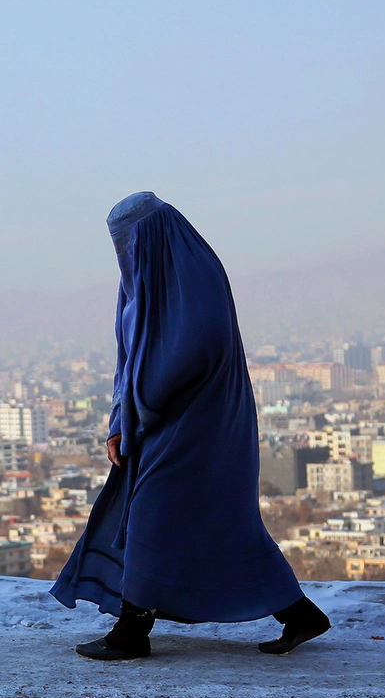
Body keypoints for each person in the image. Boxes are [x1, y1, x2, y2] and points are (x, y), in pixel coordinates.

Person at [50, 192, 330, 660]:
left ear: (155, 234)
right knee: (218, 523)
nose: (123, 250)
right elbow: (128, 360)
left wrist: (149, 400)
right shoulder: (141, 282)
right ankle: (299, 613)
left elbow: (201, 343)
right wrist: (121, 420)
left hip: (202, 422)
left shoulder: (194, 274)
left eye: (130, 239)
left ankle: (132, 630)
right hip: (154, 425)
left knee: (151, 515)